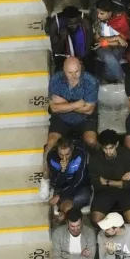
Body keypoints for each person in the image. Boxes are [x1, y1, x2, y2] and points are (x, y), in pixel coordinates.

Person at [43, 57, 98, 188]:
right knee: (51, 142)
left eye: (77, 71)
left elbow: (89, 110)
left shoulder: (91, 81)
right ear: (63, 70)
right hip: (62, 117)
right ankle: (45, 178)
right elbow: (54, 108)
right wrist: (78, 104)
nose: (74, 76)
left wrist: (64, 103)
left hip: (84, 119)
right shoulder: (56, 80)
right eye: (70, 72)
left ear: (81, 68)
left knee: (91, 141)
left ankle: (98, 167)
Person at [89, 130, 130, 227]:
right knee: (96, 220)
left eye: (111, 148)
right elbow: (96, 183)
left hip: (125, 192)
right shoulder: (95, 159)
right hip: (104, 192)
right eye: (105, 148)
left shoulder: (127, 155)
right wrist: (121, 182)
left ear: (117, 144)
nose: (108, 152)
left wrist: (108, 182)